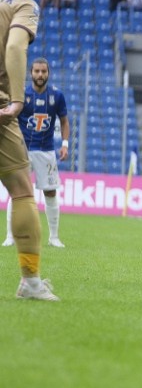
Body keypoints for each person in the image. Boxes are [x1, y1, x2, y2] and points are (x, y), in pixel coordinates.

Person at [0, 0, 59, 300]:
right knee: (22, 190)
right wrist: (17, 98)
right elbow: (15, 46)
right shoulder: (23, 4)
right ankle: (31, 282)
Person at [3, 57, 69, 248]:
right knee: (17, 192)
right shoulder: (21, 94)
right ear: (31, 73)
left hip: (46, 150)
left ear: (48, 73)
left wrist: (64, 143)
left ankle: (54, 237)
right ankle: (10, 236)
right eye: (37, 71)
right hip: (21, 150)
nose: (40, 75)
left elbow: (64, 121)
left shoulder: (57, 96)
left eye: (43, 71)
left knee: (50, 192)